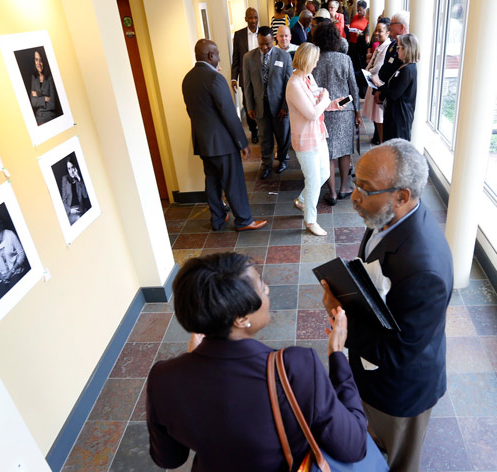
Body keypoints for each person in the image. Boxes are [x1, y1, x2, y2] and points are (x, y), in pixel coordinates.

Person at [147, 252, 368, 471]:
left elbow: (169, 459)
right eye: (262, 287)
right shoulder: (296, 367)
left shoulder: (163, 377)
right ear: (241, 319)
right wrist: (337, 354)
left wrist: (192, 362)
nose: (268, 289)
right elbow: (353, 446)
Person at [321, 139, 453, 472]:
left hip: (398, 392)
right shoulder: (392, 217)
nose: (353, 195)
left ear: (402, 196)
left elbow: (400, 353)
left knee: (395, 461)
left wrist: (343, 325)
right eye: (355, 181)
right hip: (372, 375)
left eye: (365, 188)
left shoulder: (425, 269)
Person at [182, 40, 267, 232]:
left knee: (212, 181)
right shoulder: (215, 78)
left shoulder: (187, 79)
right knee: (233, 181)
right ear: (210, 56)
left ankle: (218, 219)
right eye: (218, 53)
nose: (220, 58)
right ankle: (244, 220)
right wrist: (241, 142)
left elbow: (190, 111)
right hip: (222, 143)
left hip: (203, 142)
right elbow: (228, 113)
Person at [286, 43, 345, 236]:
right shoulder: (294, 84)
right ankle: (310, 221)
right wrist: (325, 98)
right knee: (313, 180)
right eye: (316, 59)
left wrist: (331, 103)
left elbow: (317, 102)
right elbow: (312, 113)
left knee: (325, 174)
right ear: (307, 60)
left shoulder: (308, 78)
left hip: (318, 134)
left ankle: (303, 200)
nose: (318, 62)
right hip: (305, 140)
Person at [312, 21, 361, 206]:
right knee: (344, 151)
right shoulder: (344, 59)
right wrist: (356, 110)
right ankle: (344, 188)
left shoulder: (315, 60)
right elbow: (353, 88)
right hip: (344, 111)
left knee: (329, 153)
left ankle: (331, 193)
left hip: (323, 112)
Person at [242, 26, 293, 179]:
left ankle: (283, 159)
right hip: (260, 106)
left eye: (268, 44)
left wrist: (285, 106)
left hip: (279, 107)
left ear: (273, 40)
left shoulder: (284, 57)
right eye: (261, 44)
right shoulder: (248, 58)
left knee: (283, 136)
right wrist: (250, 106)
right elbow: (247, 85)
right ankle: (266, 165)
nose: (264, 48)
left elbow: (289, 84)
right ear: (257, 41)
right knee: (265, 138)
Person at [382, 33, 419, 141]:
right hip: (395, 114)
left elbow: (394, 94)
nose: (397, 51)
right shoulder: (404, 66)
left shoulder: (407, 69)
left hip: (400, 117)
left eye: (399, 48)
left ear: (407, 49)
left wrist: (380, 85)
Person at [231, 8, 260, 143]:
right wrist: (233, 78)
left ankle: (264, 129)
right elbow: (236, 57)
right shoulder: (239, 35)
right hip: (246, 78)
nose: (253, 21)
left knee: (262, 104)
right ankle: (254, 131)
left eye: (255, 17)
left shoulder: (264, 32)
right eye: (250, 18)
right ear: (246, 19)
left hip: (262, 77)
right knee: (248, 105)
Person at [362, 18, 391, 145]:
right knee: (375, 116)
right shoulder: (379, 46)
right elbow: (371, 65)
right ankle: (377, 137)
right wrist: (367, 70)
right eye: (376, 31)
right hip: (372, 82)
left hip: (378, 84)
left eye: (380, 31)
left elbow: (378, 67)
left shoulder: (388, 47)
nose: (377, 34)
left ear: (388, 32)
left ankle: (382, 141)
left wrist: (368, 72)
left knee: (380, 118)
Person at [372, 10, 410, 105]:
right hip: (385, 97)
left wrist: (382, 90)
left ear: (401, 27)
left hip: (397, 103)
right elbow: (384, 69)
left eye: (392, 24)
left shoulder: (408, 51)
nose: (389, 26)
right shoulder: (392, 45)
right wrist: (377, 90)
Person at [0, 214, 27, 286]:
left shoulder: (10, 234)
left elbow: (22, 255)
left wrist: (11, 271)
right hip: (6, 281)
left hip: (18, 274)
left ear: (0, 222)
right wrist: (1, 276)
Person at [347, 1, 370, 97]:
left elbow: (366, 35)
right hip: (352, 43)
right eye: (357, 10)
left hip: (360, 46)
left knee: (360, 66)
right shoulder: (355, 17)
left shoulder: (367, 20)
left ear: (365, 9)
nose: (358, 12)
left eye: (360, 10)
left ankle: (361, 90)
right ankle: (353, 87)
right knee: (353, 66)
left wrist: (360, 33)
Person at [30, 50, 58, 125]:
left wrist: (38, 98)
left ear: (44, 61)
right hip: (38, 116)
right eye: (36, 60)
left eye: (41, 60)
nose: (38, 63)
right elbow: (33, 102)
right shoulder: (34, 78)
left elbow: (52, 104)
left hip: (49, 116)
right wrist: (44, 98)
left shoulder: (50, 78)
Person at [61, 156, 91, 224]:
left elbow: (85, 195)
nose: (71, 171)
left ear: (75, 167)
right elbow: (63, 201)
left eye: (72, 167)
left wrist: (79, 179)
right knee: (78, 218)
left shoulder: (79, 178)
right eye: (69, 169)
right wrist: (70, 210)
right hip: (71, 210)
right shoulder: (65, 179)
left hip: (81, 208)